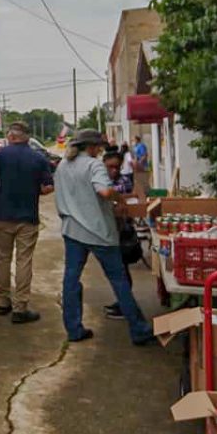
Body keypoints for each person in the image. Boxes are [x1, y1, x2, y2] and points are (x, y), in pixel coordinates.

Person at [54, 129, 154, 344]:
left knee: (71, 279)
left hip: (72, 230)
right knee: (119, 281)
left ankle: (74, 330)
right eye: (98, 146)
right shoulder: (93, 164)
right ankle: (139, 330)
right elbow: (105, 192)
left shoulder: (63, 165)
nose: (100, 150)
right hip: (98, 231)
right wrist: (120, 199)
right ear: (90, 146)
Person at [0, 121, 54, 324]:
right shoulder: (38, 158)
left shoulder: (0, 155)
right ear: (27, 137)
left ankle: (3, 302)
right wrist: (35, 191)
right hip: (28, 218)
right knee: (24, 261)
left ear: (11, 136)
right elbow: (49, 186)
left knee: (3, 259)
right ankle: (20, 307)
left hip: (2, 215)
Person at [102, 151, 143, 320]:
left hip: (122, 233)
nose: (113, 171)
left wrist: (121, 197)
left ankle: (125, 306)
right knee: (117, 271)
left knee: (121, 270)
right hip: (107, 232)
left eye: (116, 167)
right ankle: (121, 301)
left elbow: (113, 195)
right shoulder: (101, 180)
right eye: (109, 167)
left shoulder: (122, 181)